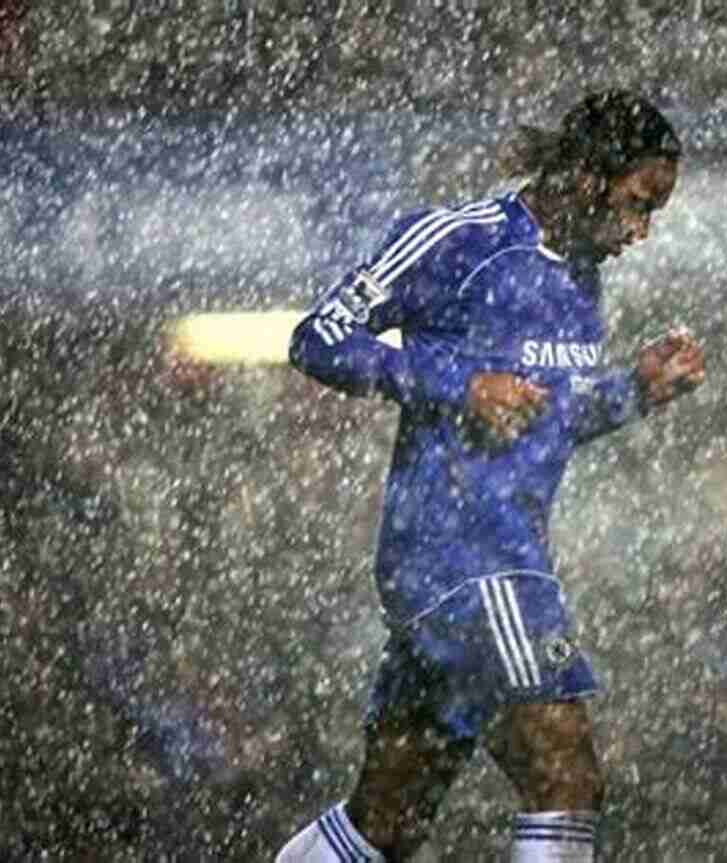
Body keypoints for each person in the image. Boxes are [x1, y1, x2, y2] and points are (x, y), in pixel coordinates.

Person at [278, 90, 705, 862]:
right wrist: (456, 384)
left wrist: (636, 388)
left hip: (485, 559)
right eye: (638, 206)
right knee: (567, 778)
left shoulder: (579, 279)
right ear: (584, 177)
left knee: (386, 820)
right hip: (465, 554)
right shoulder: (458, 241)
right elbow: (318, 337)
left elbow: (546, 418)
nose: (640, 233)